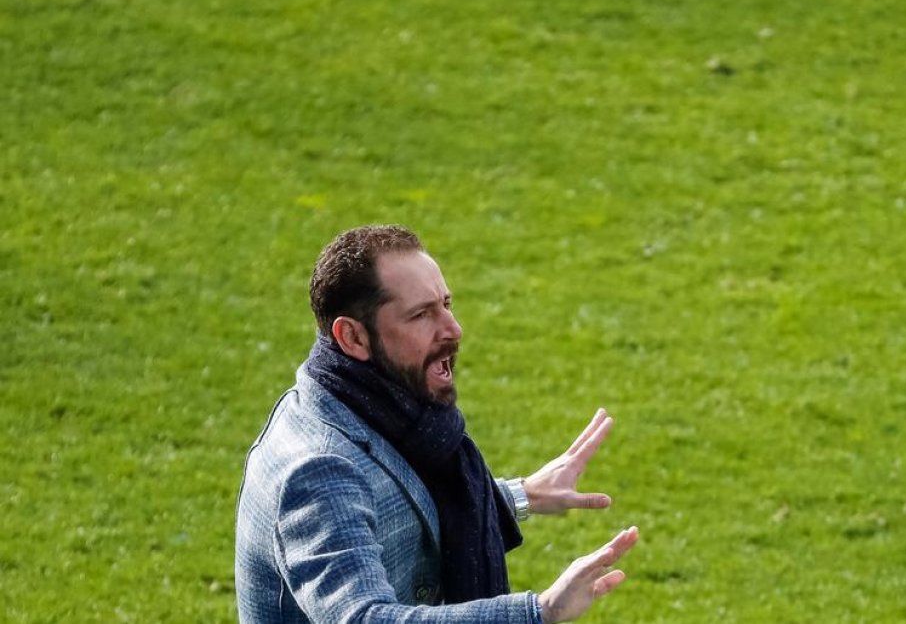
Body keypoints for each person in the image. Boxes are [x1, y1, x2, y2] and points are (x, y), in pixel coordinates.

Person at [235, 225, 638, 623]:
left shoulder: (367, 404)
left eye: (446, 304)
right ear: (353, 338)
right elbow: (363, 618)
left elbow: (398, 517)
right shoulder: (319, 468)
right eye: (421, 315)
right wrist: (539, 610)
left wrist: (522, 495)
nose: (453, 329)